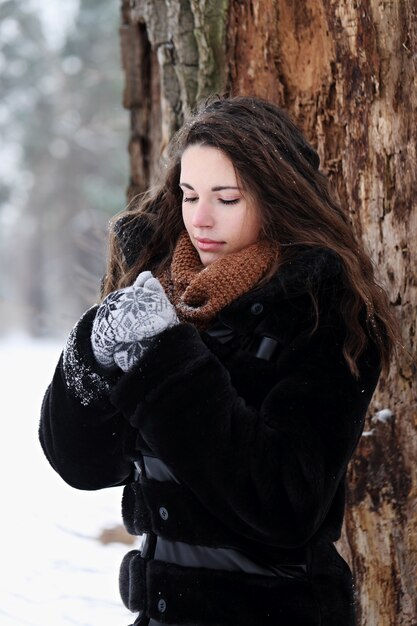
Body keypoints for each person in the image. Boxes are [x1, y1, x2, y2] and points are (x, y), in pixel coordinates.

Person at [39, 95, 398, 626]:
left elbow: (282, 506)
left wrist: (164, 357)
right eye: (189, 195)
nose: (200, 219)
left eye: (226, 198)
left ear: (275, 199)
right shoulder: (162, 296)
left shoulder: (326, 314)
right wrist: (93, 349)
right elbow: (84, 465)